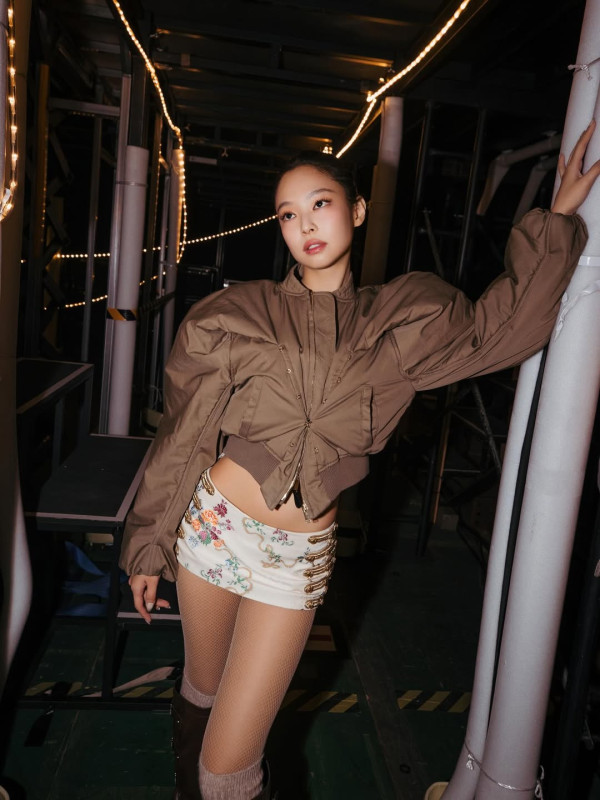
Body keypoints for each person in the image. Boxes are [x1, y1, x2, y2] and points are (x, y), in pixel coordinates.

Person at [120, 121, 600, 800]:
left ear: (357, 209)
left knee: (227, 769)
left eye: (320, 203)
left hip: (296, 562)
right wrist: (148, 544)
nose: (304, 225)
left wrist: (555, 220)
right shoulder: (239, 314)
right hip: (214, 532)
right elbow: (184, 435)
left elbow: (503, 331)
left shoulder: (401, 318)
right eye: (288, 214)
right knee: (202, 688)